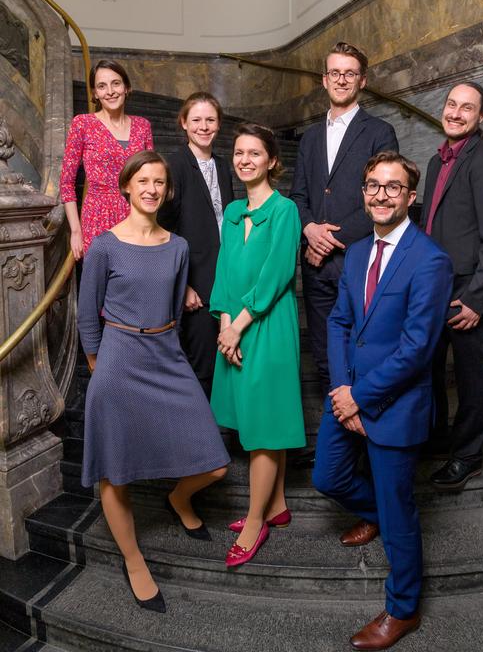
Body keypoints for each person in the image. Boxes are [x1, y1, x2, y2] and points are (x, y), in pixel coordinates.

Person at [77, 150, 230, 613]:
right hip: (119, 356)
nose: (151, 189)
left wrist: (176, 352)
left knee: (216, 464)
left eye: (159, 182)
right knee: (115, 470)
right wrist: (100, 371)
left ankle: (177, 496)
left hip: (166, 353)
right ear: (126, 186)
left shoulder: (178, 246)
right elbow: (87, 317)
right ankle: (133, 558)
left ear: (167, 190)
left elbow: (175, 309)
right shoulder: (104, 245)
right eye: (142, 180)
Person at [313, 151, 453, 650]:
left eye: (393, 187)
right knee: (326, 475)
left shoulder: (431, 260)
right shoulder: (354, 253)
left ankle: (403, 608)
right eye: (374, 185)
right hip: (347, 390)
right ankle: (373, 514)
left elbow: (418, 349)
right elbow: (340, 322)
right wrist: (341, 389)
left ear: (410, 198)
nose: (381, 194)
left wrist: (361, 398)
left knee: (400, 511)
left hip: (394, 404)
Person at [290, 41, 398, 465]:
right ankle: (338, 448)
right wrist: (309, 228)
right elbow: (299, 195)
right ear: (324, 79)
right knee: (325, 357)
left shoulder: (379, 132)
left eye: (349, 73)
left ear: (362, 81)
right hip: (315, 270)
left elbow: (383, 200)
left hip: (356, 264)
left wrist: (327, 240)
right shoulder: (311, 137)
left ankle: (368, 453)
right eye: (334, 72)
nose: (341, 79)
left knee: (363, 356)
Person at [210, 123, 306, 567]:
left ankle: (254, 522)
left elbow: (276, 275)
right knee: (256, 416)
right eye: (239, 153)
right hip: (236, 325)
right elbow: (225, 271)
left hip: (267, 325)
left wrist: (240, 324)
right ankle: (278, 504)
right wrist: (226, 323)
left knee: (265, 424)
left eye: (255, 153)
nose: (245, 159)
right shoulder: (231, 212)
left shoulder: (285, 210)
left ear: (271, 161)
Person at [421, 82, 483, 491]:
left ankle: (468, 454)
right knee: (429, 368)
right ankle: (439, 435)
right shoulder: (435, 161)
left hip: (469, 288)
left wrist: (477, 299)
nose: (456, 113)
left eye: (467, 108)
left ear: (482, 117)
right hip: (435, 285)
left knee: (473, 376)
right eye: (452, 105)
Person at [158, 92, 234, 397]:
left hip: (225, 280)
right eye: (197, 120)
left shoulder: (225, 165)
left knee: (224, 365)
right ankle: (200, 440)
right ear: (184, 124)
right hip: (196, 287)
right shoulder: (174, 165)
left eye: (211, 120)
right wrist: (183, 283)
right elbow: (163, 229)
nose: (204, 126)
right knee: (201, 368)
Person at [60, 59, 153, 258]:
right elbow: (66, 182)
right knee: (101, 285)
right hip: (97, 218)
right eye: (102, 86)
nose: (110, 91)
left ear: (126, 87)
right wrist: (76, 231)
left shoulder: (143, 126)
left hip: (137, 216)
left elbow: (152, 177)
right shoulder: (82, 124)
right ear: (95, 93)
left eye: (116, 83)